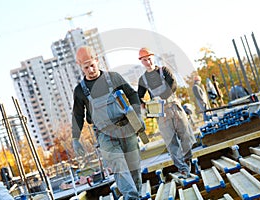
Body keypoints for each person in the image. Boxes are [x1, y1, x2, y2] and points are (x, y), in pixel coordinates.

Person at [72, 46, 144, 199]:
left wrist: (138, 117)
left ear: (97, 60)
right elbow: (78, 115)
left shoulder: (114, 77)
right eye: (86, 67)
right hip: (105, 135)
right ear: (80, 67)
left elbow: (133, 95)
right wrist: (75, 138)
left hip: (126, 127)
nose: (91, 69)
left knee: (134, 168)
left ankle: (136, 196)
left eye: (92, 64)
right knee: (120, 168)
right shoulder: (80, 91)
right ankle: (132, 198)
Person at [137, 47, 196, 179]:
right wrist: (145, 106)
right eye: (145, 60)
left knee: (186, 136)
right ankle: (183, 169)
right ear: (141, 62)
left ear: (153, 58)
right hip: (161, 113)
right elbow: (138, 96)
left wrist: (162, 96)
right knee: (171, 143)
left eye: (149, 59)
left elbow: (173, 84)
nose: (148, 62)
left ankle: (188, 162)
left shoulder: (164, 71)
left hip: (174, 107)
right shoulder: (143, 80)